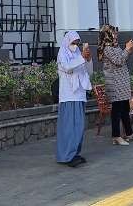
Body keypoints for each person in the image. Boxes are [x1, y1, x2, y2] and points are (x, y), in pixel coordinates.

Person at [97, 25, 133, 146]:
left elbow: (122, 59)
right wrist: (127, 49)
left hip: (122, 82)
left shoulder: (114, 47)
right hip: (114, 83)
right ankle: (116, 136)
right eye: (114, 33)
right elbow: (118, 61)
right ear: (108, 35)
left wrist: (128, 50)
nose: (116, 35)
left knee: (125, 109)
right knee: (116, 111)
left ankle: (129, 133)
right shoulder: (107, 48)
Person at [56, 30, 92, 167]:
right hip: (69, 96)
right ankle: (66, 156)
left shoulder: (77, 53)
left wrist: (88, 59)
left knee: (79, 127)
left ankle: (74, 153)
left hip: (79, 95)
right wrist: (82, 58)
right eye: (73, 42)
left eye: (77, 43)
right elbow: (67, 67)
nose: (75, 45)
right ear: (67, 41)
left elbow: (87, 71)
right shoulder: (62, 54)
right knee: (69, 128)